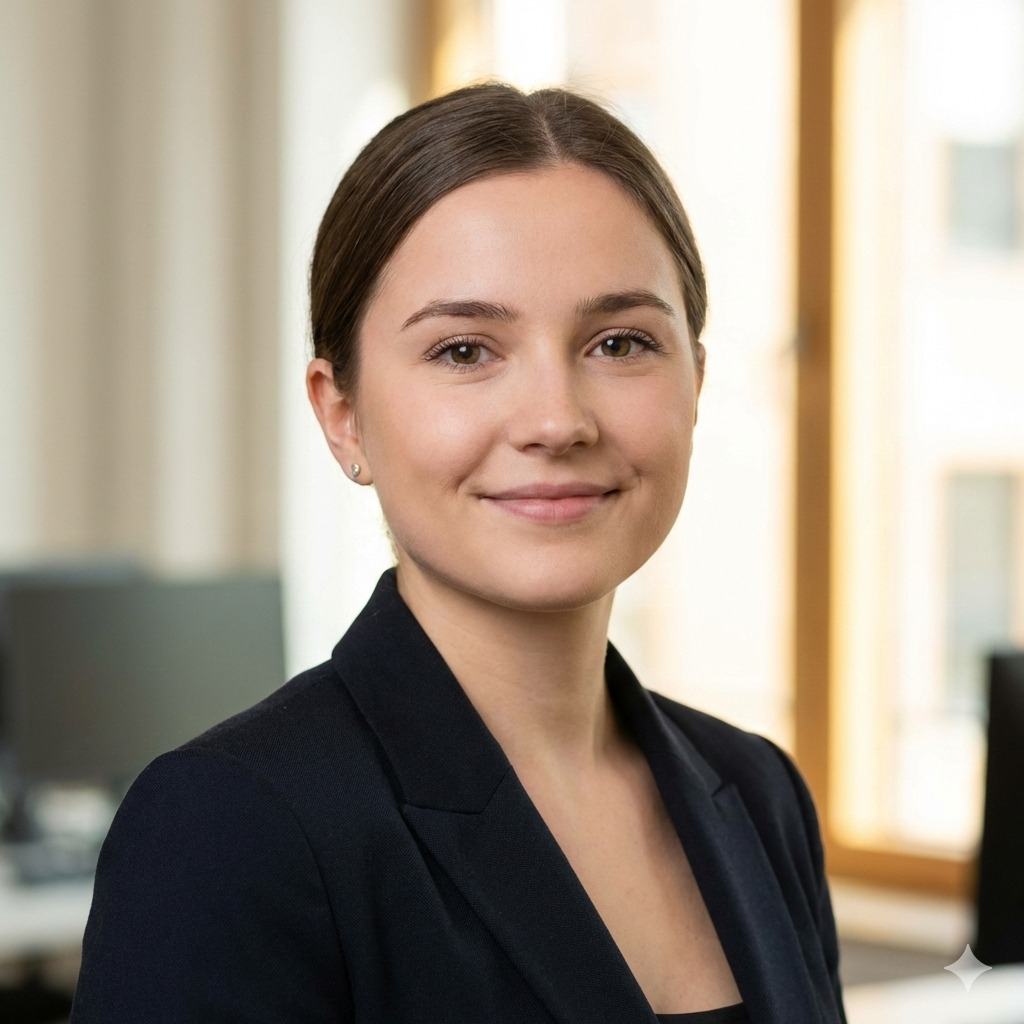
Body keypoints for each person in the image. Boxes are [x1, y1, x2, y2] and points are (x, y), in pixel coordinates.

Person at [71, 83, 846, 1024]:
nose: (556, 420)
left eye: (619, 342)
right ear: (342, 413)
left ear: (696, 383)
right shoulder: (230, 826)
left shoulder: (760, 796)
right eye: (465, 352)